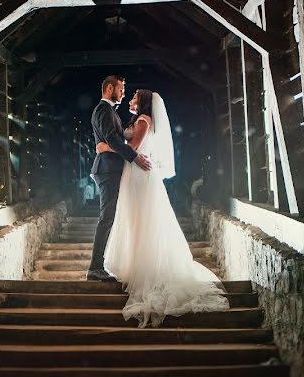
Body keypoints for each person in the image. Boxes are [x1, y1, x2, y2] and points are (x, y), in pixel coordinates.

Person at [96, 88, 229, 328]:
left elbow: (134, 148)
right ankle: (135, 264)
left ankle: (146, 268)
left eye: (135, 96)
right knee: (135, 218)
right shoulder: (140, 120)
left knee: (144, 220)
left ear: (144, 102)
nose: (131, 99)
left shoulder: (145, 120)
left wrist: (106, 147)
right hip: (135, 173)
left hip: (139, 174)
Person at [87, 75, 153, 282]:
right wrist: (134, 158)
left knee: (110, 216)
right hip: (107, 170)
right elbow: (113, 139)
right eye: (121, 88)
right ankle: (95, 268)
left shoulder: (110, 112)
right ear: (109, 89)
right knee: (107, 216)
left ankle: (99, 266)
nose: (124, 93)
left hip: (111, 169)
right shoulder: (103, 110)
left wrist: (107, 146)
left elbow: (112, 141)